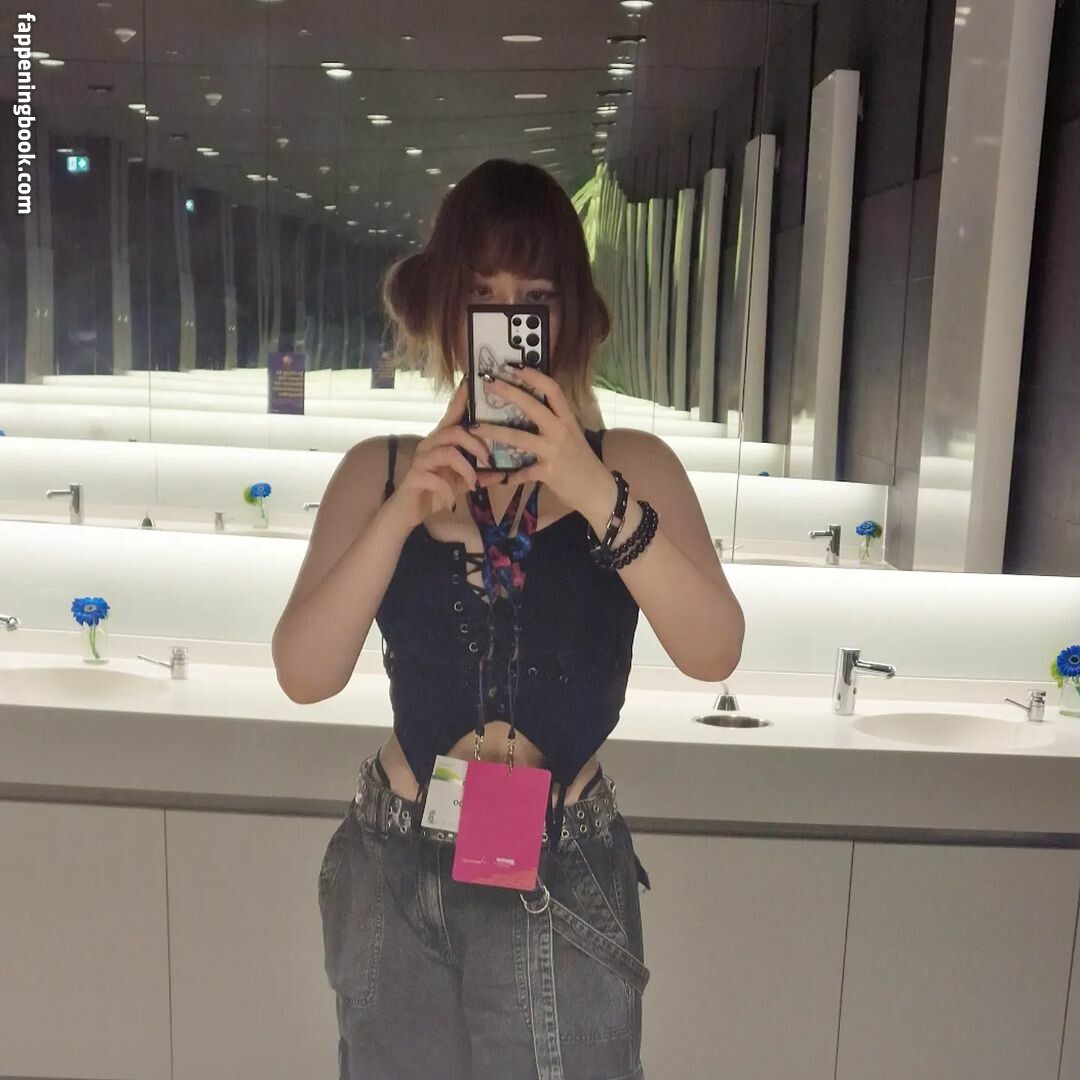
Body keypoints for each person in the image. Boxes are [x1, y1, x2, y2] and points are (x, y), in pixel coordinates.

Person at [272, 158, 745, 1080]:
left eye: (535, 298)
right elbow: (304, 673)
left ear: (570, 317)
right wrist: (404, 511)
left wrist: (591, 489)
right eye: (482, 295)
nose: (508, 322)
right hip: (397, 862)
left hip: (562, 866)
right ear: (447, 310)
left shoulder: (632, 468)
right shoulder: (379, 469)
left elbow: (713, 650)